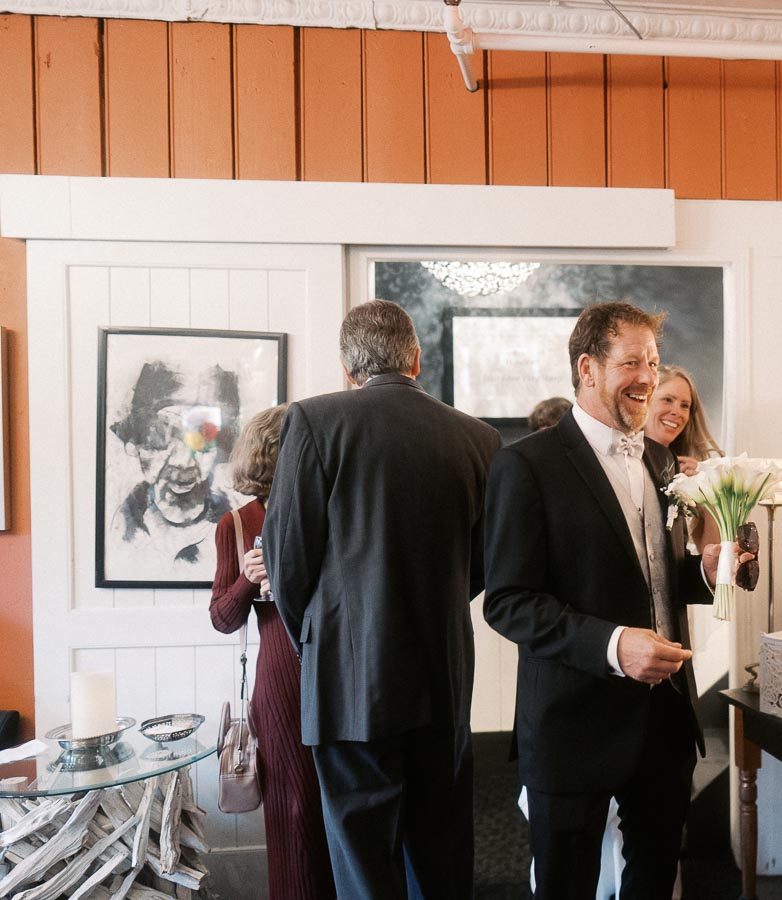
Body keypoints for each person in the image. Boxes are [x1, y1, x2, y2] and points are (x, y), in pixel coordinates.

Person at [483, 301, 747, 899]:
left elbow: (656, 576)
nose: (650, 379)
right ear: (588, 369)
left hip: (665, 720)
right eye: (633, 362)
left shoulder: (658, 460)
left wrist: (704, 571)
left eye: (653, 362)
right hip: (573, 724)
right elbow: (508, 601)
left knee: (654, 876)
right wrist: (612, 644)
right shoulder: (525, 465)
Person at [264, 299, 501, 899]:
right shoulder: (478, 439)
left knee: (363, 861)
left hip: (346, 679)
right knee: (441, 852)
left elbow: (287, 559)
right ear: (416, 359)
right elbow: (483, 564)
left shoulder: (314, 422)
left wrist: (315, 639)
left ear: (349, 367)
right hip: (443, 672)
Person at [208, 404, 335, 900]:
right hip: (282, 682)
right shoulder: (237, 525)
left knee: (344, 806)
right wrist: (249, 578)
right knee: (295, 811)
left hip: (338, 673)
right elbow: (222, 618)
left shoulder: (330, 510)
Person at [109, 361, 239, 571]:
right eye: (161, 435)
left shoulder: (241, 527)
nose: (182, 461)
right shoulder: (119, 531)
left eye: (202, 436)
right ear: (135, 445)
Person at [646, 365, 723, 550]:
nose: (677, 412)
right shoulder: (623, 460)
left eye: (684, 406)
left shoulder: (688, 471)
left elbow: (711, 553)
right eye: (667, 400)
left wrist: (707, 497)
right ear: (646, 400)